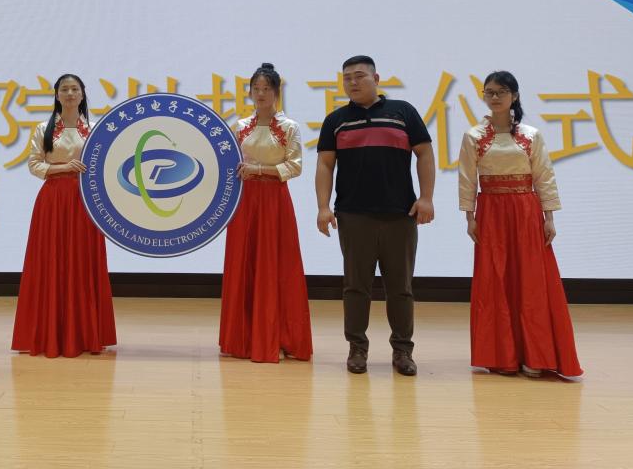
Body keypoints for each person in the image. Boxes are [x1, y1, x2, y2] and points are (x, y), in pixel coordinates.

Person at [315, 55, 435, 376]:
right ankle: (357, 349)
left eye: (359, 76)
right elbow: (325, 164)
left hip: (400, 214)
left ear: (376, 78)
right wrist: (323, 207)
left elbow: (424, 153)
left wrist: (426, 198)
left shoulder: (403, 112)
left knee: (401, 288)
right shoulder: (336, 120)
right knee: (356, 287)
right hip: (353, 215)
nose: (352, 82)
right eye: (347, 78)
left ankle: (403, 351)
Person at [459, 71, 582, 378]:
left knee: (531, 280)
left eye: (501, 92)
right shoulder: (474, 136)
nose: (495, 97)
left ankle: (536, 355)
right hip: (491, 211)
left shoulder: (531, 135)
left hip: (526, 211)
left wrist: (549, 216)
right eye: (489, 92)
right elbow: (467, 179)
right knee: (495, 279)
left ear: (514, 96)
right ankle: (502, 355)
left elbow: (544, 175)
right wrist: (470, 217)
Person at [11, 74, 116, 357]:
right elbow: (34, 165)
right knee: (51, 261)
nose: (70, 93)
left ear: (82, 94)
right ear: (57, 95)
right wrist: (64, 167)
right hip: (54, 200)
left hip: (85, 201)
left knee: (83, 261)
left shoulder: (94, 129)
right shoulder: (43, 129)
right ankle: (50, 333)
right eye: (65, 89)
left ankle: (84, 333)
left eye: (75, 89)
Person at [219, 63, 312, 363]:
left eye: (266, 89)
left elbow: (294, 166)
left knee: (277, 266)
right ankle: (243, 337)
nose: (260, 94)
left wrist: (260, 169)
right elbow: (229, 164)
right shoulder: (240, 126)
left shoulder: (289, 127)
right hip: (244, 202)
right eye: (256, 89)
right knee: (244, 264)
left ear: (276, 92)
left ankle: (279, 337)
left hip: (274, 202)